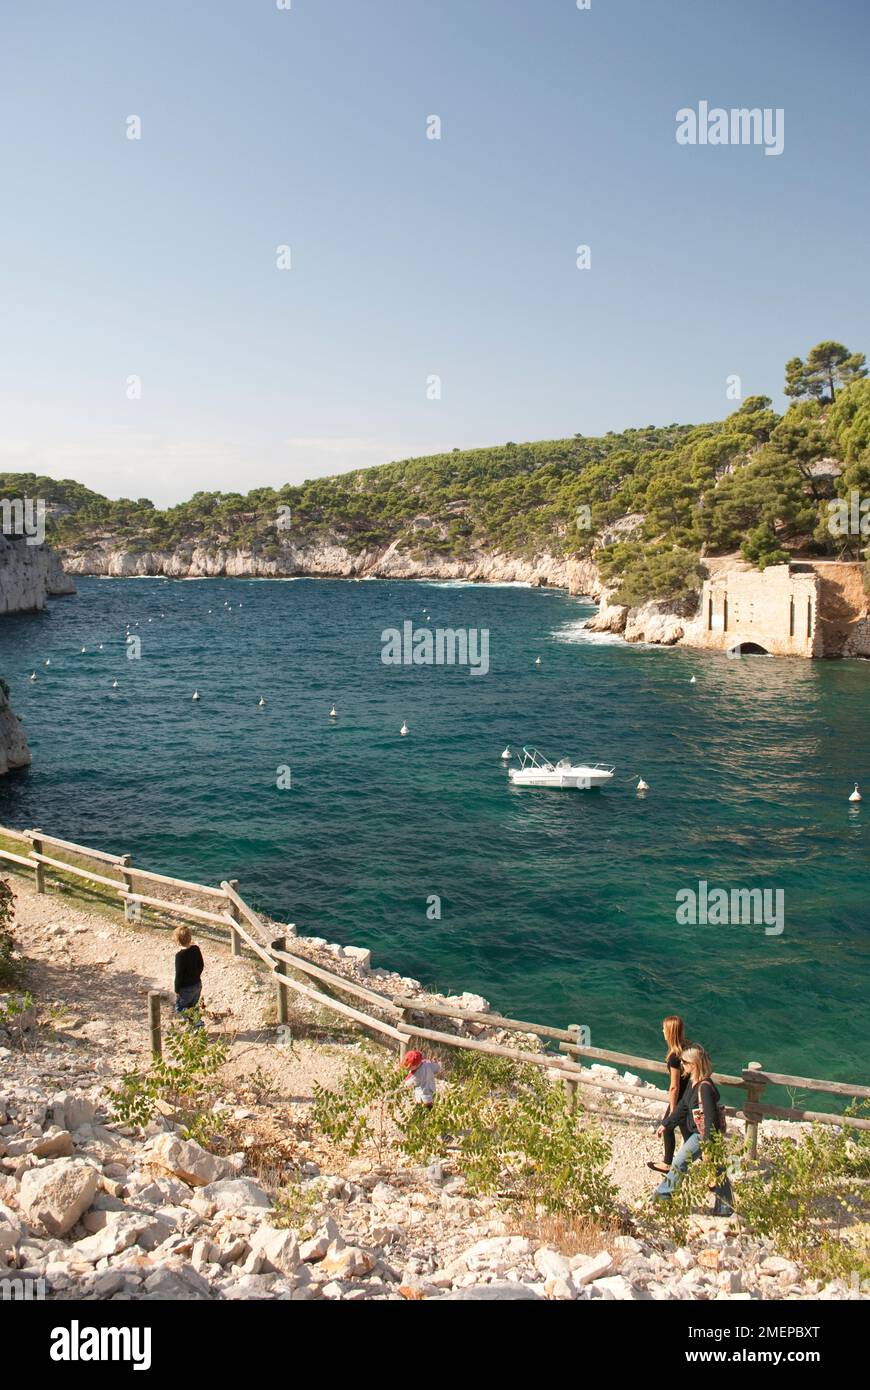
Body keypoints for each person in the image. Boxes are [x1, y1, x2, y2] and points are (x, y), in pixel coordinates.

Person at [653, 1044, 733, 1215]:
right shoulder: (693, 1083)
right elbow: (682, 1106)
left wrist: (707, 1144)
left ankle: (662, 1196)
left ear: (694, 1065)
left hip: (703, 1135)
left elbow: (710, 1118)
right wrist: (666, 1123)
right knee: (718, 1169)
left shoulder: (703, 1087)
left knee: (679, 1162)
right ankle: (725, 1207)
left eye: (685, 1062)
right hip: (703, 1134)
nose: (682, 1064)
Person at [647, 1014, 691, 1175]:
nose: (662, 1031)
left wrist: (673, 1110)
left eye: (664, 1029)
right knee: (688, 1135)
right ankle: (669, 1163)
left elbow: (674, 1086)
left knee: (671, 1128)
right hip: (690, 1097)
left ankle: (668, 1164)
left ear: (670, 1032)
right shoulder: (689, 1048)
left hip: (681, 1100)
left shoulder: (674, 1057)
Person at [173, 925, 204, 1023]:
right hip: (197, 984)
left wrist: (177, 989)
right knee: (194, 1007)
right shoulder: (196, 949)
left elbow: (179, 975)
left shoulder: (180, 956)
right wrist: (196, 976)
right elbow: (201, 965)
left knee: (180, 1008)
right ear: (190, 937)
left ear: (177, 940)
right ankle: (197, 1028)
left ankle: (198, 1025)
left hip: (185, 988)